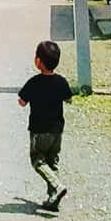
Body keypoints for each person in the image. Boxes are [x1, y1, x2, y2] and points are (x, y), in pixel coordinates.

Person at [18, 38, 73, 210]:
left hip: (39, 130)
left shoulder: (34, 83)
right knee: (52, 162)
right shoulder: (61, 82)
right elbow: (69, 98)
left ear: (38, 61)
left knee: (38, 161)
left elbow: (21, 101)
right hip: (57, 130)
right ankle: (52, 199)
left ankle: (57, 186)